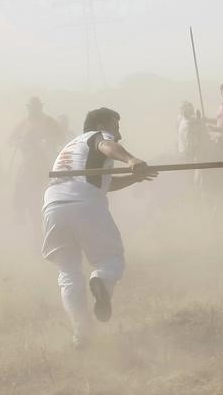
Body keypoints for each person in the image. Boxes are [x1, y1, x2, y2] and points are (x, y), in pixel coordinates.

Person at [42, 107, 157, 348]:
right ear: (103, 125)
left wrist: (133, 178)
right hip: (84, 203)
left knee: (68, 273)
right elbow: (107, 147)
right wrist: (131, 160)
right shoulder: (97, 137)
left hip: (53, 206)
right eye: (116, 127)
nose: (119, 135)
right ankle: (102, 281)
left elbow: (102, 183)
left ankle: (81, 333)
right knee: (111, 258)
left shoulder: (72, 148)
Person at [9, 97, 63, 234]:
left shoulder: (49, 121)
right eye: (30, 108)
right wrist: (19, 142)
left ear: (40, 107)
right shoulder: (24, 123)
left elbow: (61, 137)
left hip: (46, 163)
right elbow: (11, 139)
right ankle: (19, 214)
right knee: (18, 186)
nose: (32, 110)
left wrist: (48, 141)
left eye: (35, 107)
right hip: (28, 162)